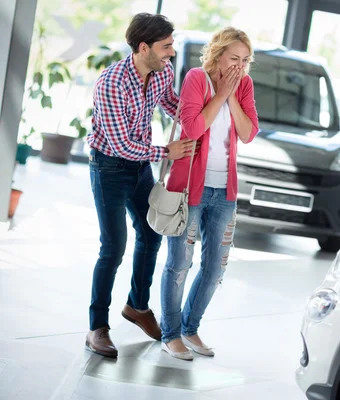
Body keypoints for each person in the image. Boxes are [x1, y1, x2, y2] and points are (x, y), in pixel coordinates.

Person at [86, 13, 194, 358]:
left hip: (139, 168)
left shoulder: (160, 73)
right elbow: (119, 145)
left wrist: (205, 110)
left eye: (172, 45)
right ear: (143, 47)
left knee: (151, 234)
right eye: (166, 46)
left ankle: (137, 306)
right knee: (113, 246)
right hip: (109, 167)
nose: (172, 53)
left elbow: (172, 106)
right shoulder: (111, 82)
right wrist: (168, 151)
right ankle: (97, 327)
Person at [160, 27, 259, 360]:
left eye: (245, 60)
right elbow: (191, 128)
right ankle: (170, 334)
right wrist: (219, 94)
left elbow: (247, 133)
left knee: (215, 267)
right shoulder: (196, 79)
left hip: (225, 191)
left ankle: (190, 328)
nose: (240, 66)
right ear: (217, 54)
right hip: (190, 189)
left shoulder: (243, 85)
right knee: (179, 264)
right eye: (234, 58)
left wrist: (232, 94)